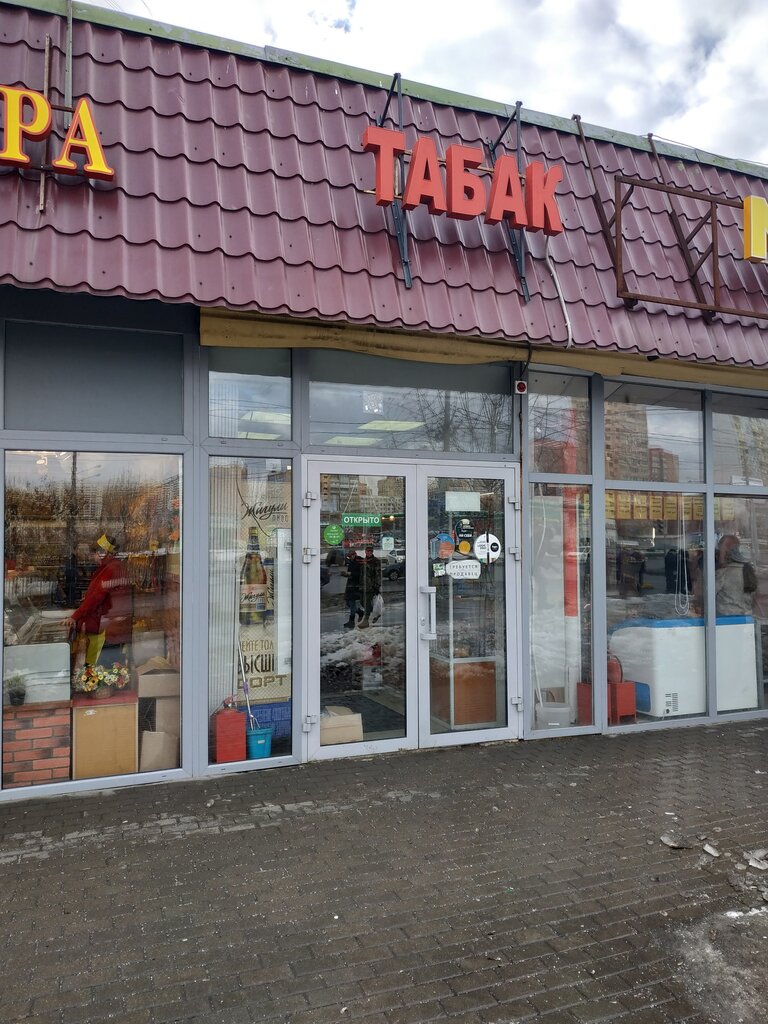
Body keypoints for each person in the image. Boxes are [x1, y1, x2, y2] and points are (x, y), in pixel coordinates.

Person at [62, 534, 132, 665]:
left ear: (103, 553)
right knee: (100, 665)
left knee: (99, 666)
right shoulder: (110, 567)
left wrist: (75, 617)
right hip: (108, 624)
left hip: (107, 627)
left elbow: (96, 598)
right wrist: (87, 598)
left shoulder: (111, 569)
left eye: (94, 554)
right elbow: (100, 593)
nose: (92, 557)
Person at [715, 534, 754, 617]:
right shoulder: (749, 571)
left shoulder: (723, 574)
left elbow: (709, 595)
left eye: (722, 552)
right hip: (747, 616)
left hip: (726, 618)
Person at [358, 545, 382, 629]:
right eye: (367, 551)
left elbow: (378, 574)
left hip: (371, 586)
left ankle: (366, 620)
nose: (368, 552)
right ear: (365, 551)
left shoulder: (376, 561)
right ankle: (376, 613)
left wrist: (377, 586)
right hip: (362, 585)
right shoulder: (364, 560)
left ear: (372, 552)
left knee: (367, 602)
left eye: (370, 551)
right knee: (362, 602)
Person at [341, 550, 364, 629]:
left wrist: (351, 573)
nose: (350, 558)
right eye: (349, 557)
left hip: (356, 586)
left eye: (350, 556)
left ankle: (351, 621)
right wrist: (346, 574)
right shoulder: (352, 562)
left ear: (354, 555)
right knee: (348, 602)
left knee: (351, 602)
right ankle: (360, 612)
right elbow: (350, 573)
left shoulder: (360, 562)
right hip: (350, 585)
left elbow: (361, 574)